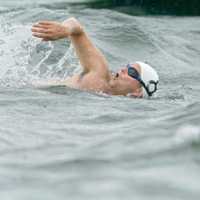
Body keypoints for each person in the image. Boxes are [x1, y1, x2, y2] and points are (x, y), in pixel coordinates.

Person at [31, 17, 159, 97]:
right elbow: (76, 26)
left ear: (138, 92)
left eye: (132, 71)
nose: (123, 69)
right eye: (127, 66)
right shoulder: (100, 76)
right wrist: (65, 29)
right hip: (30, 92)